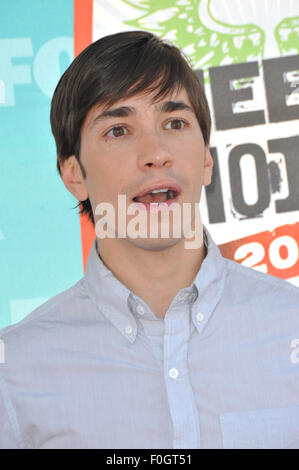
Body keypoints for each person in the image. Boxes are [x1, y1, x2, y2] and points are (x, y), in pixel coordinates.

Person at [0, 30, 299, 450]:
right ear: (74, 174)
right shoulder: (14, 372)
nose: (155, 152)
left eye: (174, 123)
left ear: (208, 160)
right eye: (119, 130)